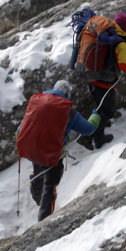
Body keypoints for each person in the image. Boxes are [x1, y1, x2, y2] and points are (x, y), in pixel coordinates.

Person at [19, 80, 101, 221]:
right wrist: (96, 115)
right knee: (50, 186)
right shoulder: (67, 110)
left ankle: (37, 196)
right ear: (67, 95)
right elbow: (88, 129)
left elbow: (22, 128)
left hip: (34, 150)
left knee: (39, 172)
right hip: (53, 155)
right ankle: (43, 222)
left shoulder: (37, 102)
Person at [78, 13, 126, 151]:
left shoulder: (105, 33)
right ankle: (86, 137)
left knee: (100, 109)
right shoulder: (120, 43)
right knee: (107, 112)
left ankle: (99, 138)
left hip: (92, 77)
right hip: (104, 82)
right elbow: (125, 65)